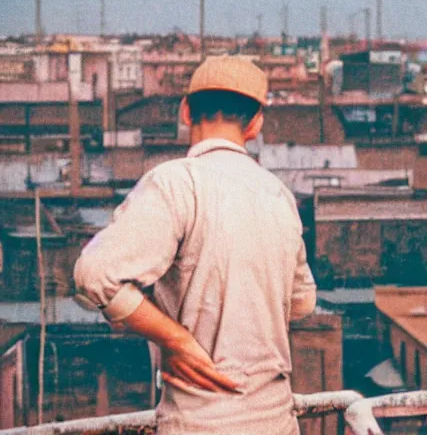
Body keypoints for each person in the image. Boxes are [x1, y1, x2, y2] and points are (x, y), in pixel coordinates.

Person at [74, 56, 317, 434]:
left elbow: (94, 274)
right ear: (255, 124)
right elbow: (302, 302)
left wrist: (178, 341)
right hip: (275, 420)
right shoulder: (278, 195)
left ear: (186, 112)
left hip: (198, 424)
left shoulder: (174, 184)